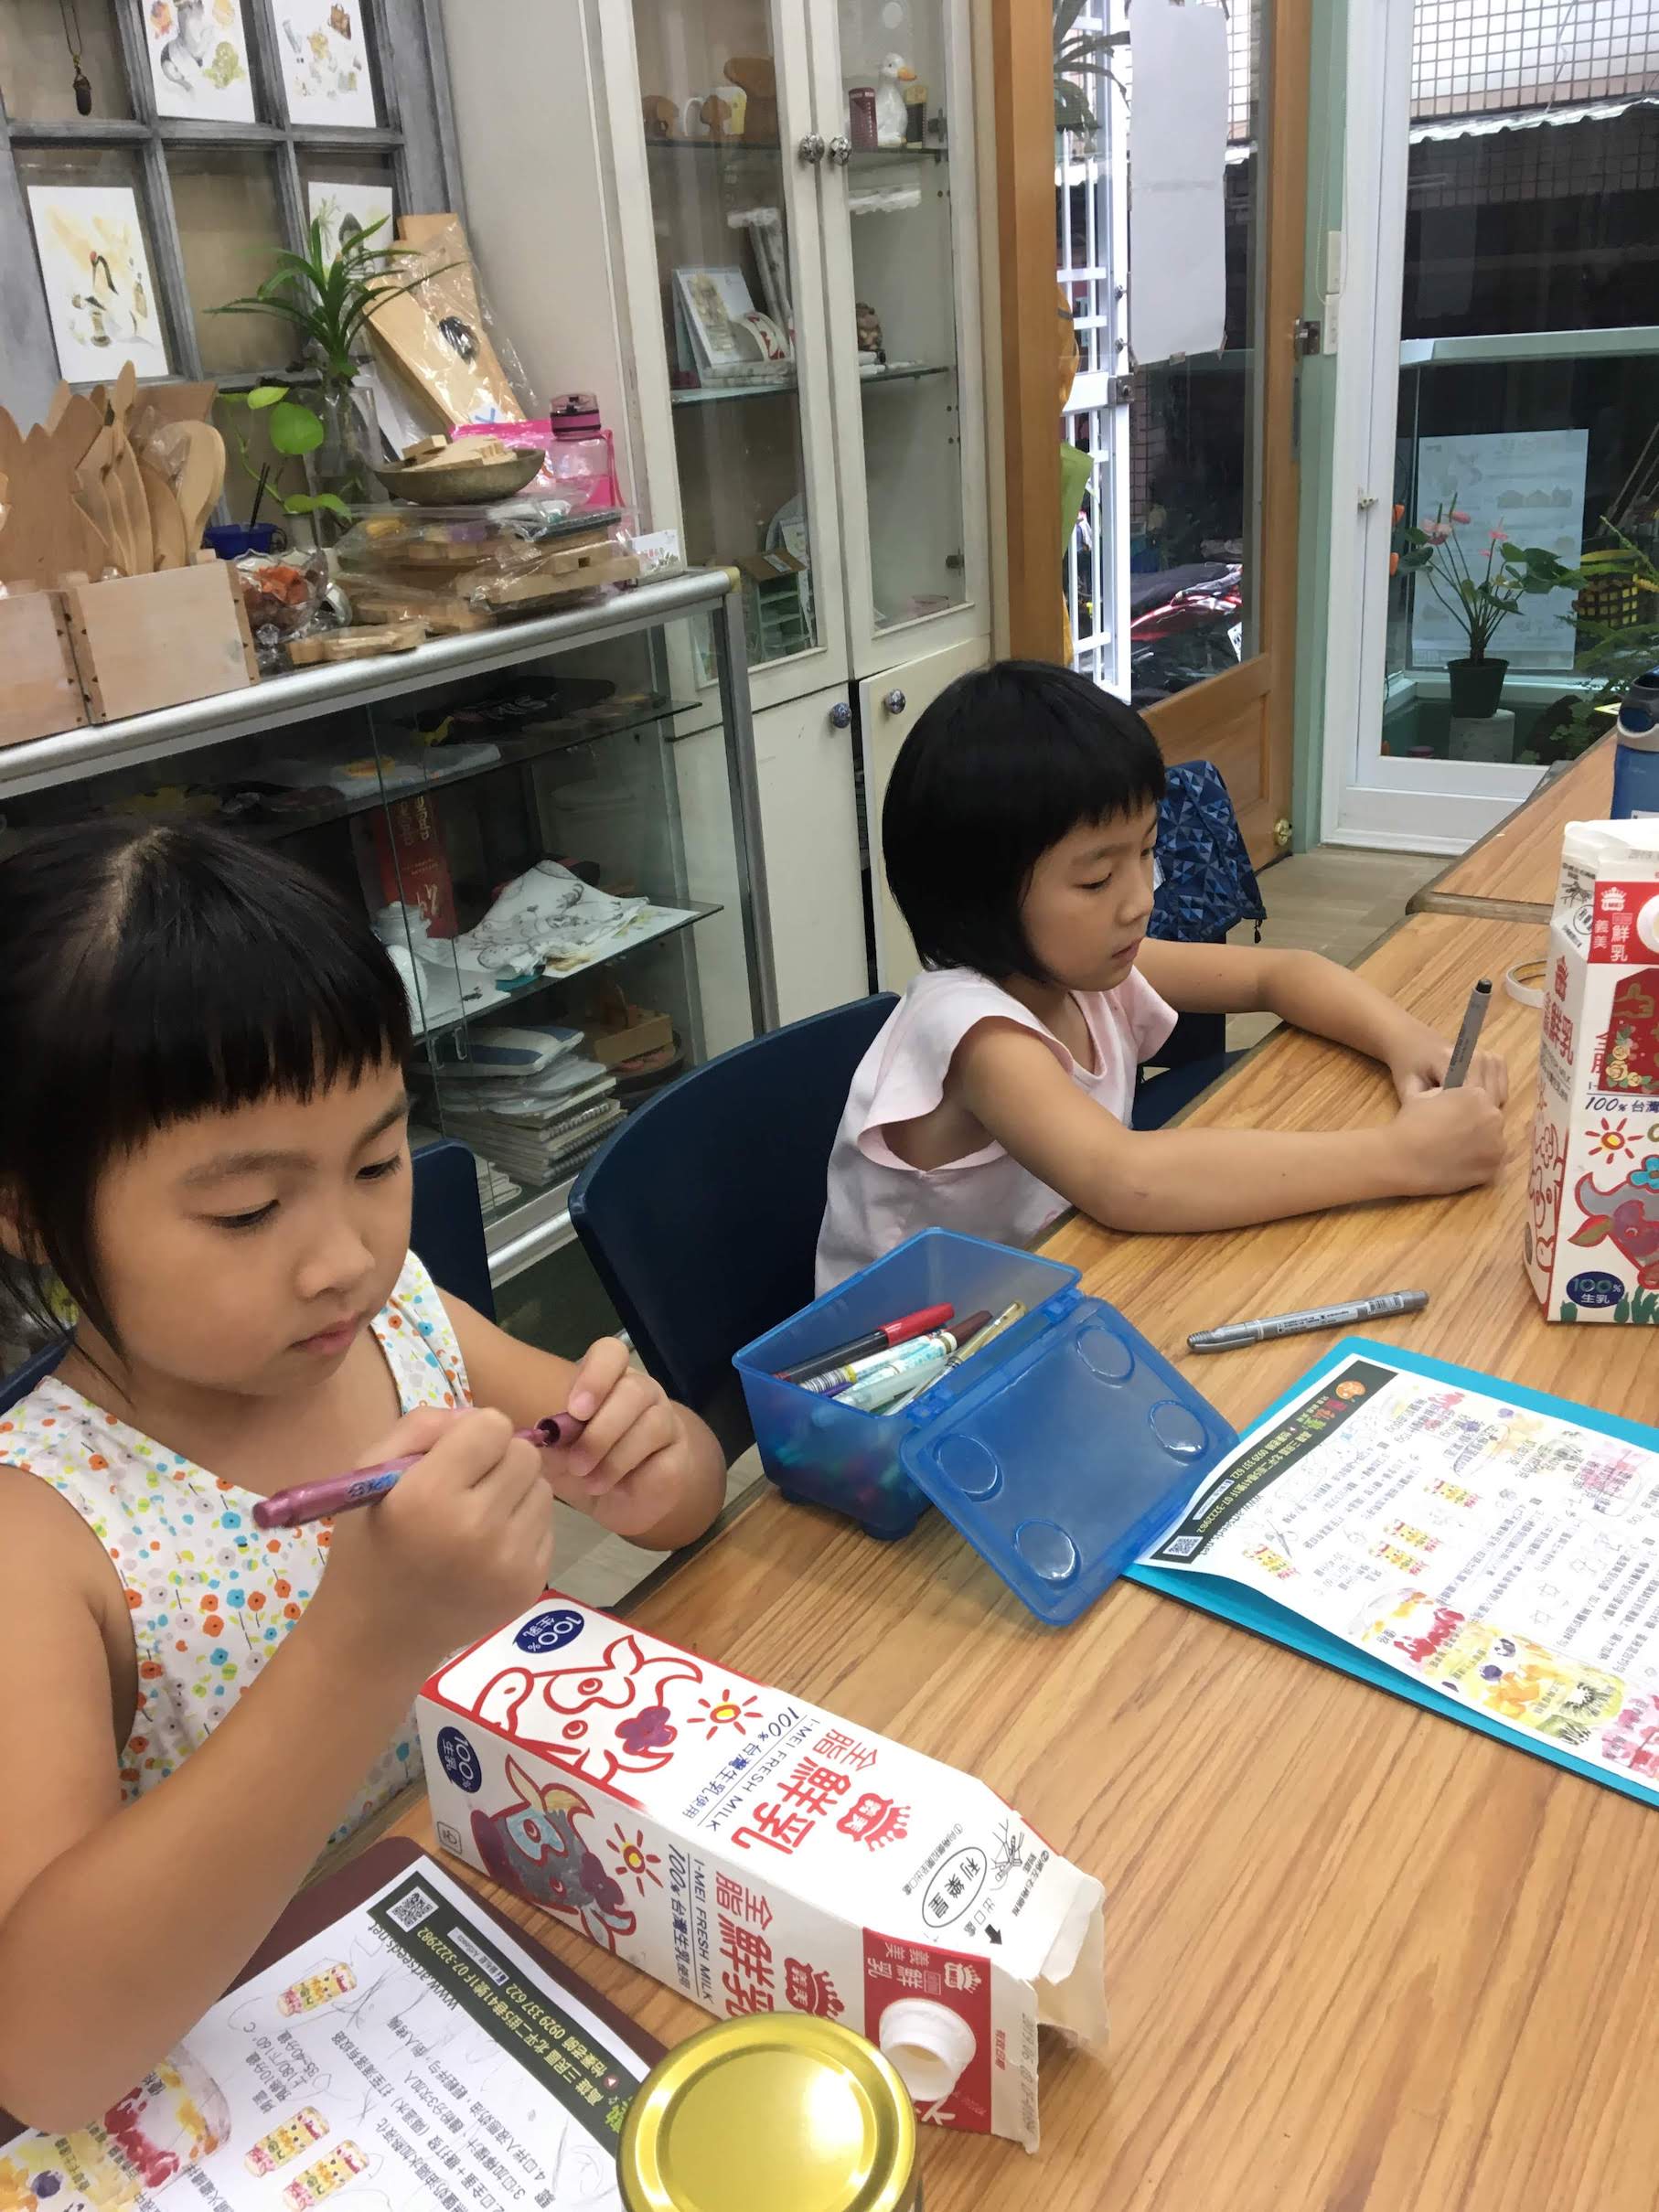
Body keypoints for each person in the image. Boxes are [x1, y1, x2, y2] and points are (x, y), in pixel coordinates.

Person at [0, 820, 726, 2128]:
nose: (343, 1256)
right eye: (245, 1210)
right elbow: (46, 2058)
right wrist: (361, 1640)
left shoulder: (406, 1326)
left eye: (378, 1162)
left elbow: (682, 1498)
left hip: (531, 1909)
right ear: (29, 1215)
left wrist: (646, 1453)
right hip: (291, 2071)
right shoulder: (39, 1530)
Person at [818, 660, 1507, 1289]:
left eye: (1146, 852)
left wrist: (1408, 1041)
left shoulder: (1076, 969)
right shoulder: (974, 1032)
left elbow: (1281, 974)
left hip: (1047, 1291)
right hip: (910, 1362)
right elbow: (1126, 1180)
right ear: (978, 897)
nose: (1140, 899)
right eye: (1096, 879)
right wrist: (1401, 1157)